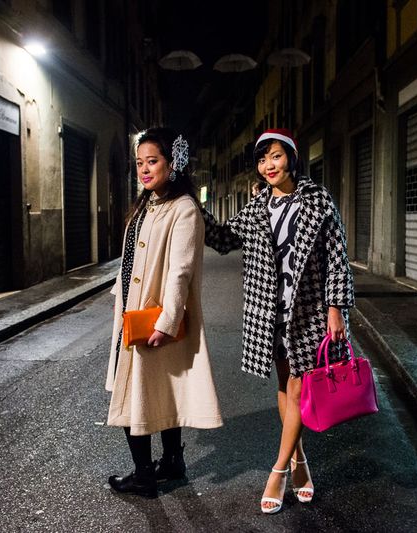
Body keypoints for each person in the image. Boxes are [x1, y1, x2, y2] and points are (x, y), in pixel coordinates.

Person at [201, 128, 354, 514]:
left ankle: (279, 470)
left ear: (291, 157)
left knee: (300, 388)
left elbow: (337, 255)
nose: (268, 165)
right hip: (271, 313)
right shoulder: (255, 210)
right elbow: (221, 239)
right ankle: (301, 462)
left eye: (276, 156)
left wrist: (336, 307)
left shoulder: (317, 200)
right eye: (262, 159)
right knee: (286, 387)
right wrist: (190, 200)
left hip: (308, 312)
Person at [105, 127, 223, 499]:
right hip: (132, 310)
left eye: (152, 161)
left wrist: (167, 322)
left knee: (132, 394)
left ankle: (144, 476)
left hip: (154, 316)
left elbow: (180, 271)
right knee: (161, 389)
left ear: (174, 164)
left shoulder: (183, 208)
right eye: (139, 163)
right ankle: (172, 461)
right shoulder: (146, 203)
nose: (144, 169)